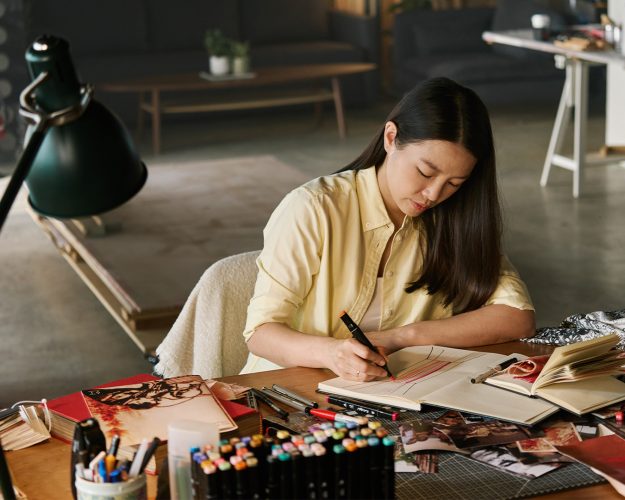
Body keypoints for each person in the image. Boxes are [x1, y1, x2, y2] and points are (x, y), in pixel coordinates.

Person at [241, 77, 535, 380]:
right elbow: (260, 333)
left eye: (454, 184)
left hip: (393, 396)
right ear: (391, 138)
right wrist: (331, 353)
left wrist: (401, 337)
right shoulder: (314, 207)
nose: (434, 194)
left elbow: (517, 317)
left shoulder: (455, 218)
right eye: (424, 172)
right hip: (290, 390)